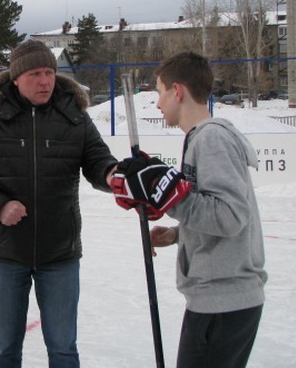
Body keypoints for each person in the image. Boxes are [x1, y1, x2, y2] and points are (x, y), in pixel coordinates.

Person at [0, 38, 118, 368]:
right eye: (35, 73)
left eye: (49, 72)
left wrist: (115, 175)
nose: (45, 81)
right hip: (6, 253)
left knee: (63, 349)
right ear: (16, 78)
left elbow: (98, 161)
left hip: (59, 253)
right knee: (4, 348)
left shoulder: (74, 116)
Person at [111, 51, 267, 368]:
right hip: (219, 299)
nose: (157, 103)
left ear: (177, 91)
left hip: (223, 301)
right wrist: (178, 234)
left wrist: (170, 197)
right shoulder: (202, 138)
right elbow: (219, 212)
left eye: (159, 91)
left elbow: (231, 216)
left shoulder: (212, 139)